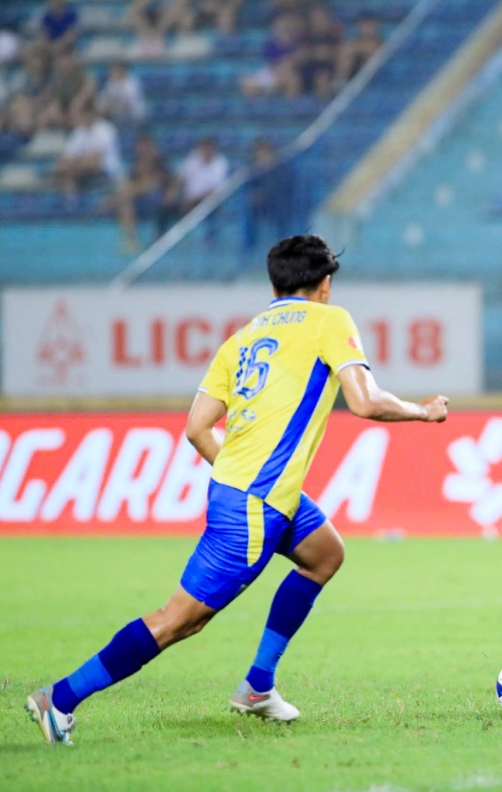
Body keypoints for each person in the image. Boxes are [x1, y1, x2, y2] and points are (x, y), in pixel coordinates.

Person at [25, 234, 450, 745]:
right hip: (255, 502)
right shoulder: (329, 319)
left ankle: (257, 685)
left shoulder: (242, 339)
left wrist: (239, 474)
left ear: (274, 285)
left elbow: (197, 428)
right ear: (325, 284)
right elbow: (364, 401)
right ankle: (60, 698)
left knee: (325, 555)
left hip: (252, 490)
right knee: (180, 620)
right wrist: (423, 411)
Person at [112, 133, 172, 250]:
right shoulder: (136, 164)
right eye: (140, 147)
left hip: (158, 199)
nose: (142, 150)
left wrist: (134, 190)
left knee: (134, 194)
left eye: (145, 146)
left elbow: (156, 182)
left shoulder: (160, 162)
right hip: (140, 200)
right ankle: (131, 240)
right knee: (125, 204)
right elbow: (130, 183)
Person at [53, 103, 121, 199]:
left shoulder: (105, 129)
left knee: (71, 172)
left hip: (106, 173)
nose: (84, 117)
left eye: (86, 114)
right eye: (82, 114)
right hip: (82, 172)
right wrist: (76, 163)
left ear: (92, 114)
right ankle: (70, 203)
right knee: (62, 171)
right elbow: (66, 158)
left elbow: (95, 161)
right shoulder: (79, 131)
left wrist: (75, 162)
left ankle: (73, 201)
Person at [244, 137, 300, 251]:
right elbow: (249, 186)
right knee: (250, 212)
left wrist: (264, 193)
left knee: (282, 213)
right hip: (260, 206)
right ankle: (250, 246)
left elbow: (283, 186)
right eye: (258, 151)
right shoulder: (253, 169)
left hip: (279, 204)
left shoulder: (281, 168)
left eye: (263, 151)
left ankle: (283, 245)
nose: (261, 155)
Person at [241, 14, 303, 98]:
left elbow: (296, 61)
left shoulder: (294, 44)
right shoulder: (269, 44)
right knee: (247, 82)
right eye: (280, 27)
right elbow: (270, 64)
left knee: (294, 80)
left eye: (286, 27)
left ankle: (290, 104)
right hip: (271, 72)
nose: (283, 29)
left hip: (287, 73)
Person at [173, 136, 229, 215]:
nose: (206, 152)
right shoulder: (193, 159)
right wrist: (173, 191)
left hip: (209, 201)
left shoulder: (220, 163)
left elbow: (217, 189)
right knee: (170, 203)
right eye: (204, 149)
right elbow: (181, 177)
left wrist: (195, 199)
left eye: (208, 149)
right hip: (189, 199)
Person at [300, 4, 341, 98]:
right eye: (316, 18)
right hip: (307, 69)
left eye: (322, 18)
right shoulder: (304, 36)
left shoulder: (334, 36)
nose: (319, 21)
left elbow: (341, 52)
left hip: (329, 69)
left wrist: (329, 53)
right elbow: (299, 55)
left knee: (323, 78)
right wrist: (315, 53)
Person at [336, 15, 382, 85]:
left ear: (376, 26)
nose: (367, 28)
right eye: (365, 24)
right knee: (346, 53)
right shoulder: (352, 44)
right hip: (354, 75)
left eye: (370, 25)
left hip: (375, 78)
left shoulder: (382, 44)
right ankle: (340, 83)